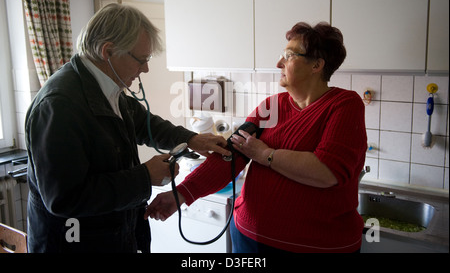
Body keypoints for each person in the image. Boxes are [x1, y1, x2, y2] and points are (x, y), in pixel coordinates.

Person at [145, 22, 367, 253]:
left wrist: (265, 154)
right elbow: (229, 157)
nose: (279, 63)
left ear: (317, 65)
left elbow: (327, 172)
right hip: (249, 238)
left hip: (317, 246)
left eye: (289, 55)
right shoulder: (270, 106)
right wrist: (181, 194)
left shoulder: (344, 105)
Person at [25, 3, 230, 253]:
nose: (145, 69)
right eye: (141, 60)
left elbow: (145, 123)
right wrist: (144, 177)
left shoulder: (106, 87)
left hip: (114, 236)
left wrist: (191, 139)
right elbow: (64, 199)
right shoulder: (59, 106)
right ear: (108, 51)